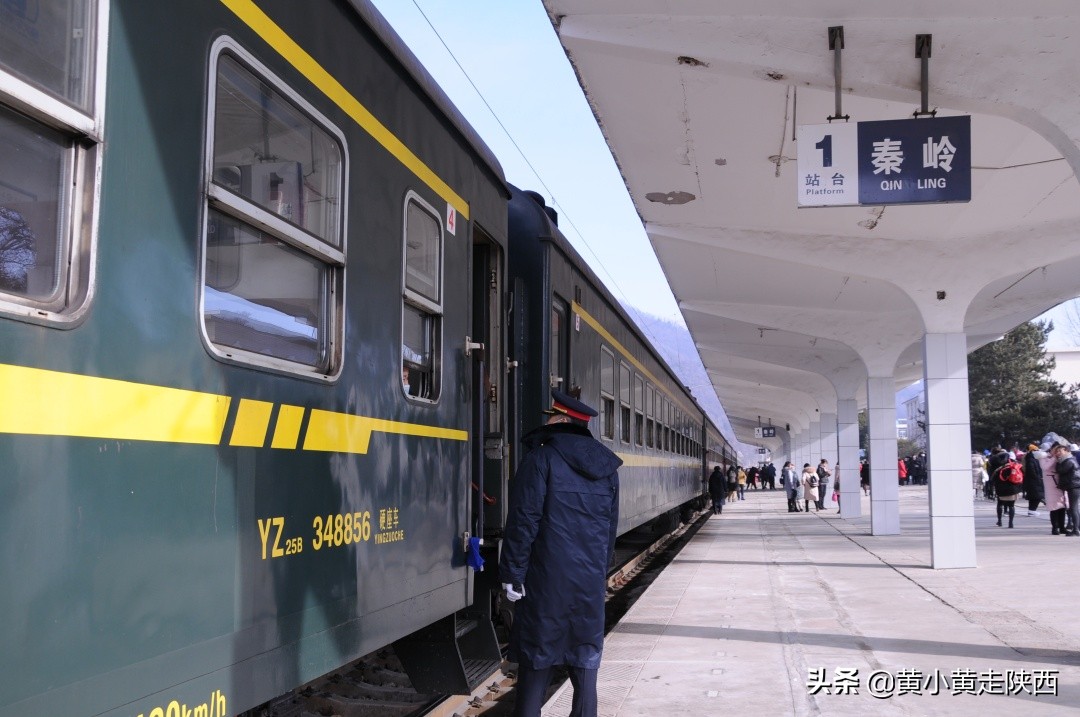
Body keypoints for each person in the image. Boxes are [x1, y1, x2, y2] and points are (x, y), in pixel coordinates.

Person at [499, 389, 622, 717]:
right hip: (587, 586)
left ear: (563, 419)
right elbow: (609, 530)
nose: (549, 420)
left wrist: (512, 573)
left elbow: (524, 521)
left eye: (552, 415)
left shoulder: (542, 459)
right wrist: (600, 572)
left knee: (536, 664)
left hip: (545, 583)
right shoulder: (607, 468)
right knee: (585, 665)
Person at [1049, 439, 1080, 537]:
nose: (1058, 453)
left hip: (1073, 486)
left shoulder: (1069, 460)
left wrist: (1057, 462)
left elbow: (1060, 470)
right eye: (1057, 451)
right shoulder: (1068, 460)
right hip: (1072, 485)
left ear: (1067, 451)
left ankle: (1076, 530)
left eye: (1060, 451)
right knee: (1073, 508)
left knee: (1073, 508)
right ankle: (1076, 528)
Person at [991, 454, 1022, 528]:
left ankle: (999, 521)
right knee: (1011, 506)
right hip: (1012, 489)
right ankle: (1011, 523)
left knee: (1000, 504)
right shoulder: (1013, 466)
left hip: (1001, 490)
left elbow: (992, 479)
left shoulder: (997, 468)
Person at [1022, 442, 1045, 516]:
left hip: (1033, 481)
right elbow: (1032, 471)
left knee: (1034, 496)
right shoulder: (1030, 459)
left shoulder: (1031, 458)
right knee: (1036, 496)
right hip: (1033, 481)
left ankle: (1031, 510)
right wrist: (1038, 478)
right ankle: (1032, 510)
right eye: (1035, 451)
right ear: (1032, 451)